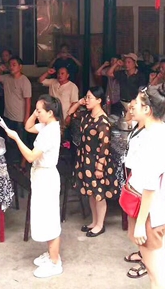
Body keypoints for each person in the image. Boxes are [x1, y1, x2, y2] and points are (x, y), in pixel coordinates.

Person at [5, 95, 63, 278]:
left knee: (50, 219)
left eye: (39, 111)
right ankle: (51, 254)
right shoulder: (46, 125)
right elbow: (28, 127)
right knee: (44, 216)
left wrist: (16, 138)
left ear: (50, 113)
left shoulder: (50, 131)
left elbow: (30, 157)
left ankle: (55, 262)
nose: (36, 114)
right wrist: (36, 112)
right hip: (40, 176)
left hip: (47, 177)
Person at [123, 84, 165, 288]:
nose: (131, 106)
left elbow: (151, 186)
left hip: (150, 211)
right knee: (155, 264)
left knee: (156, 272)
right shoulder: (154, 129)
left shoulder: (155, 137)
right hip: (146, 206)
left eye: (136, 103)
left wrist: (140, 223)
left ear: (147, 109)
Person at [67, 87, 119, 237]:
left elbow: (104, 146)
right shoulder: (87, 115)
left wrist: (99, 168)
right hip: (86, 159)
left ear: (99, 100)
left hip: (97, 162)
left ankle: (100, 225)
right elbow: (70, 114)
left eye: (89, 97)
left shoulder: (103, 121)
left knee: (98, 194)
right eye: (86, 97)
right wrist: (79, 102)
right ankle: (94, 221)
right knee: (90, 192)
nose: (87, 100)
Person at [0, 56, 32, 165]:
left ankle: (23, 164)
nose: (11, 67)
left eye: (14, 65)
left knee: (22, 141)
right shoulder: (6, 78)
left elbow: (28, 100)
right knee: (10, 141)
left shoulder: (25, 81)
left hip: (20, 118)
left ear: (20, 67)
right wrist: (0, 69)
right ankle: (13, 162)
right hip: (8, 116)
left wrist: (26, 118)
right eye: (10, 65)